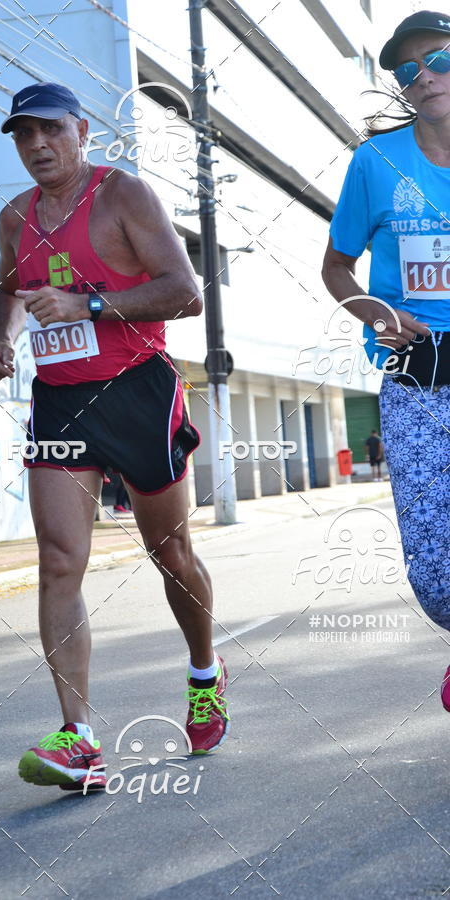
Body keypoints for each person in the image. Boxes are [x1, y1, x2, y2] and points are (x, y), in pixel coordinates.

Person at [0, 83, 229, 791]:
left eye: (49, 131)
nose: (36, 147)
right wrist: (2, 341)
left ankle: (205, 675)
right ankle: (79, 738)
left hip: (140, 392)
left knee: (170, 552)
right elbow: (9, 290)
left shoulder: (125, 197)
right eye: (23, 137)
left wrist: (90, 302)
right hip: (60, 401)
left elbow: (185, 291)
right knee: (60, 560)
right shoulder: (14, 217)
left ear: (81, 131)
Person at [322, 11, 450, 710]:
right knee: (435, 572)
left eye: (440, 59)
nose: (426, 76)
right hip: (417, 377)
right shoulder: (376, 163)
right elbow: (338, 266)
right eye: (408, 70)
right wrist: (374, 312)